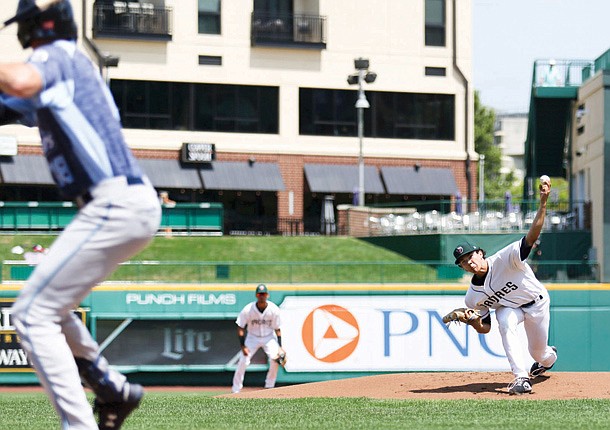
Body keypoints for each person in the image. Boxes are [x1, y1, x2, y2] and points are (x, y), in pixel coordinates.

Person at [0, 1, 161, 428]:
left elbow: (18, 78)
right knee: (52, 304)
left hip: (114, 202)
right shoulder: (71, 67)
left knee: (31, 314)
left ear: (39, 25)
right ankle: (110, 387)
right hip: (121, 204)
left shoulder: (56, 55)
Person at [452, 177, 557, 395]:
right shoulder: (472, 297)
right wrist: (472, 321)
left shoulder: (505, 258)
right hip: (512, 308)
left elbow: (531, 236)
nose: (469, 262)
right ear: (463, 268)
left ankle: (548, 358)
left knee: (538, 353)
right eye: (464, 262)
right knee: (504, 319)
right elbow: (486, 327)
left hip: (535, 303)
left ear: (481, 253)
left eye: (471, 256)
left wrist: (543, 203)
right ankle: (521, 377)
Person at [232, 283, 284, 393]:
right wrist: (243, 346)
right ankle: (236, 389)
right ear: (256, 295)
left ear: (267, 295)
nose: (262, 296)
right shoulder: (248, 309)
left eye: (264, 294)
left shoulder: (274, 309)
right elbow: (240, 327)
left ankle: (269, 386)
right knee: (243, 361)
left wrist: (280, 347)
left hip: (269, 337)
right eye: (260, 294)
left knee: (275, 359)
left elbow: (277, 329)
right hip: (252, 337)